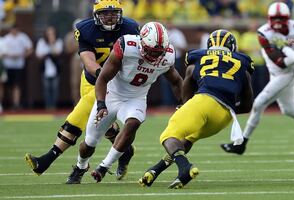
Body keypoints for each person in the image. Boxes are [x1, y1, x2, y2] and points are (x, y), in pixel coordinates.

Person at [24, 0, 140, 183]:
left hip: (116, 84)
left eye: (113, 13)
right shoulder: (85, 29)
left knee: (83, 111)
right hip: (91, 79)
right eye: (105, 13)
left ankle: (47, 159)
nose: (110, 17)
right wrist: (102, 74)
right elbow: (88, 60)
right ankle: (125, 150)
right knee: (101, 122)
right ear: (95, 15)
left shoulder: (131, 28)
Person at [139, 29, 254, 189]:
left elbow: (190, 73)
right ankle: (155, 170)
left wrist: (186, 105)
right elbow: (248, 105)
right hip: (225, 117)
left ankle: (185, 168)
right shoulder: (243, 63)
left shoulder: (199, 56)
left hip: (204, 101)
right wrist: (226, 106)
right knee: (187, 139)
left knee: (168, 136)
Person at [85, 21, 183, 183]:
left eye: (158, 52)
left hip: (136, 98)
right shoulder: (126, 46)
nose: (154, 56)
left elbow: (177, 81)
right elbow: (102, 78)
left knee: (133, 123)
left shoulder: (167, 56)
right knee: (89, 143)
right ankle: (81, 165)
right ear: (141, 41)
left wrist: (182, 103)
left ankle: (104, 166)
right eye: (151, 51)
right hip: (112, 94)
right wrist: (101, 103)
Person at [220, 2, 294, 155]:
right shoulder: (264, 32)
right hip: (279, 71)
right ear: (269, 18)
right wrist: (290, 52)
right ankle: (241, 144)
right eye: (274, 18)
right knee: (290, 110)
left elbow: (286, 64)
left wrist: (290, 47)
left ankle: (241, 143)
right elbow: (279, 62)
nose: (277, 22)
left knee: (258, 104)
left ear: (288, 18)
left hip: (288, 74)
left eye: (280, 18)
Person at [2, 24, 33, 110]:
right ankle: (11, 102)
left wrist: (23, 55)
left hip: (19, 65)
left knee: (17, 85)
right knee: (9, 86)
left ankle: (16, 103)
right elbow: (2, 52)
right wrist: (9, 55)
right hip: (8, 65)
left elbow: (30, 49)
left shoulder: (23, 37)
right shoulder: (6, 39)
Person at [36, 26, 63, 109]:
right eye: (49, 34)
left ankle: (54, 106)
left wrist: (52, 43)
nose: (50, 35)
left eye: (52, 33)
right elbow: (38, 54)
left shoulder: (58, 41)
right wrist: (47, 54)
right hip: (45, 68)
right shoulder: (41, 42)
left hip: (55, 69)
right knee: (46, 88)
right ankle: (48, 106)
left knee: (55, 88)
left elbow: (57, 53)